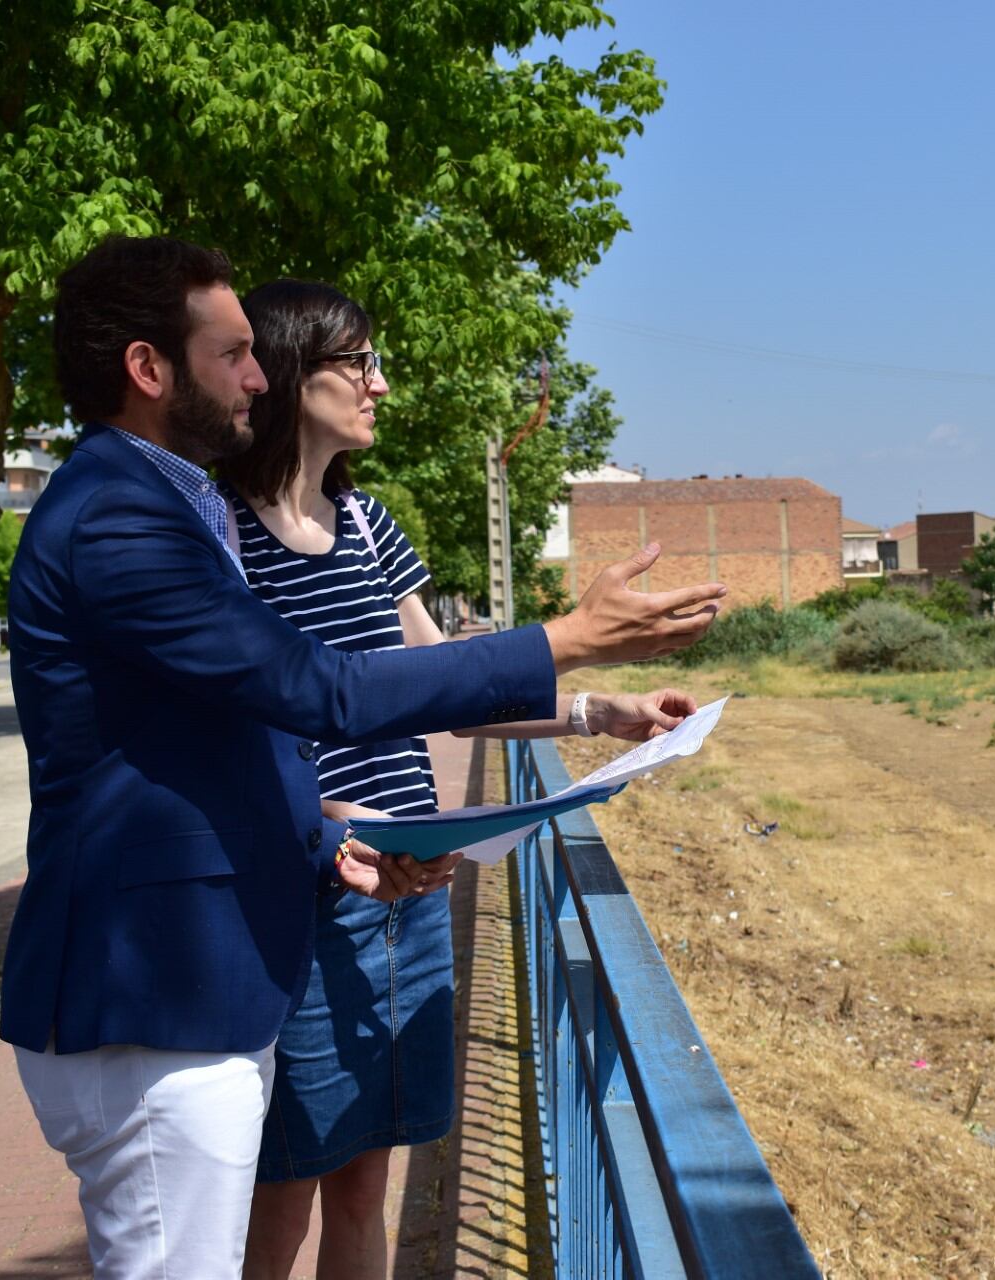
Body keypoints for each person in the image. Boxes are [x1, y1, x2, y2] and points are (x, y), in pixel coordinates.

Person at [1, 235, 724, 1277]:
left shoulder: (165, 502)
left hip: (215, 971)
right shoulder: (121, 517)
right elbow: (322, 692)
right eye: (233, 353)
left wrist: (330, 837)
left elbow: (227, 739)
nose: (257, 376)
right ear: (149, 369)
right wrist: (568, 638)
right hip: (157, 996)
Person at [214, 280, 694, 1278]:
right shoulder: (221, 538)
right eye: (362, 363)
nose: (382, 384)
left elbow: (441, 683)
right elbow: (232, 740)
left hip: (413, 888)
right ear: (296, 369)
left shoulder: (371, 523)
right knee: (285, 1190)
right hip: (307, 893)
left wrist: (598, 713)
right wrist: (329, 815)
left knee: (365, 1183)